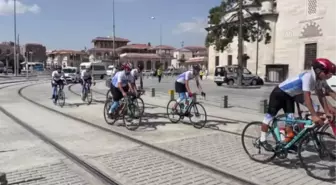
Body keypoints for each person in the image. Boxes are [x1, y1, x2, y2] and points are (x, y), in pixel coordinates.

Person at [259, 58, 334, 152]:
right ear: (319, 71)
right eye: (327, 72)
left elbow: (321, 96)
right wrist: (314, 115)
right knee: (269, 117)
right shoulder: (308, 76)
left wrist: (327, 112)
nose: (329, 75)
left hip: (290, 96)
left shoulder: (319, 79)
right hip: (278, 93)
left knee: (290, 119)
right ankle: (262, 139)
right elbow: (307, 97)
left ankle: (287, 142)